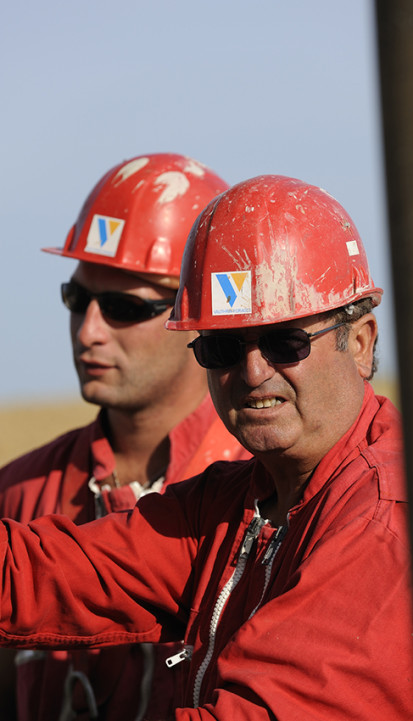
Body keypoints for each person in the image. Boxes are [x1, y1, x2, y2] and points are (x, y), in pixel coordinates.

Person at [0, 174, 413, 720]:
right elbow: (46, 575)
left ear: (360, 343)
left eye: (284, 341)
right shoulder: (241, 502)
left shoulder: (387, 519)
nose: (251, 372)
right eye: (222, 346)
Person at [0, 153, 250, 721]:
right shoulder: (18, 493)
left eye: (122, 308)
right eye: (77, 299)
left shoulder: (269, 495)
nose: (89, 330)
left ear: (199, 314)